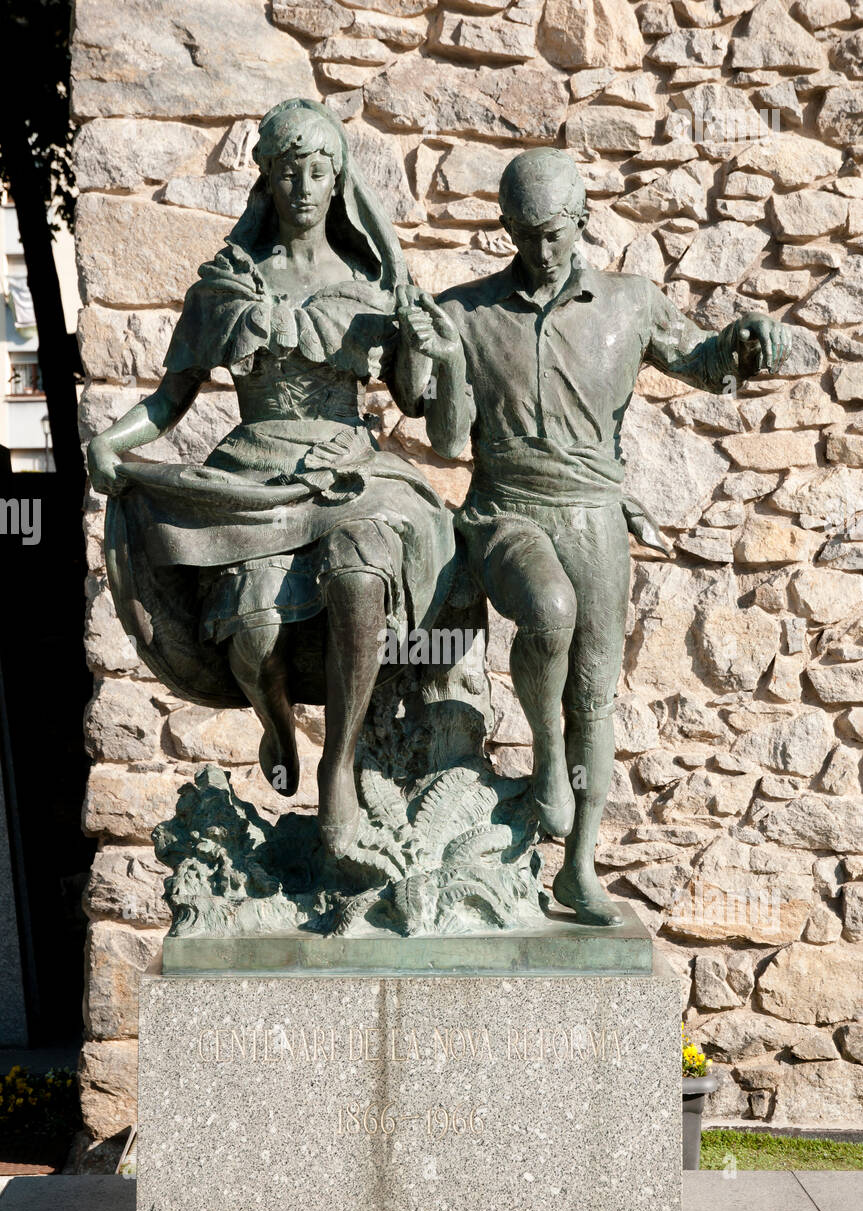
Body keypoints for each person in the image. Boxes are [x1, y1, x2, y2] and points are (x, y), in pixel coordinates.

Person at [400, 147, 791, 924]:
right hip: (505, 507)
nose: (540, 250)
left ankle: (578, 865)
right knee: (546, 612)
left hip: (594, 514)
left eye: (553, 232)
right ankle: (546, 760)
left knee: (594, 695)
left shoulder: (630, 301)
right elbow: (433, 422)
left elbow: (701, 361)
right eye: (523, 233)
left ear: (582, 220)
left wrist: (744, 341)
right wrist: (421, 349)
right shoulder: (465, 312)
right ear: (504, 227)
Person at [87, 98, 454, 859]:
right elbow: (167, 400)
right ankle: (278, 727)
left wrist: (422, 345)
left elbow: (416, 401)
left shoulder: (371, 282)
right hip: (253, 473)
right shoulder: (230, 285)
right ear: (267, 181)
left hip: (349, 471)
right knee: (252, 639)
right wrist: (109, 442)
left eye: (318, 170)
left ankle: (340, 766)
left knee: (360, 579)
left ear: (338, 179)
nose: (304, 186)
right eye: (288, 172)